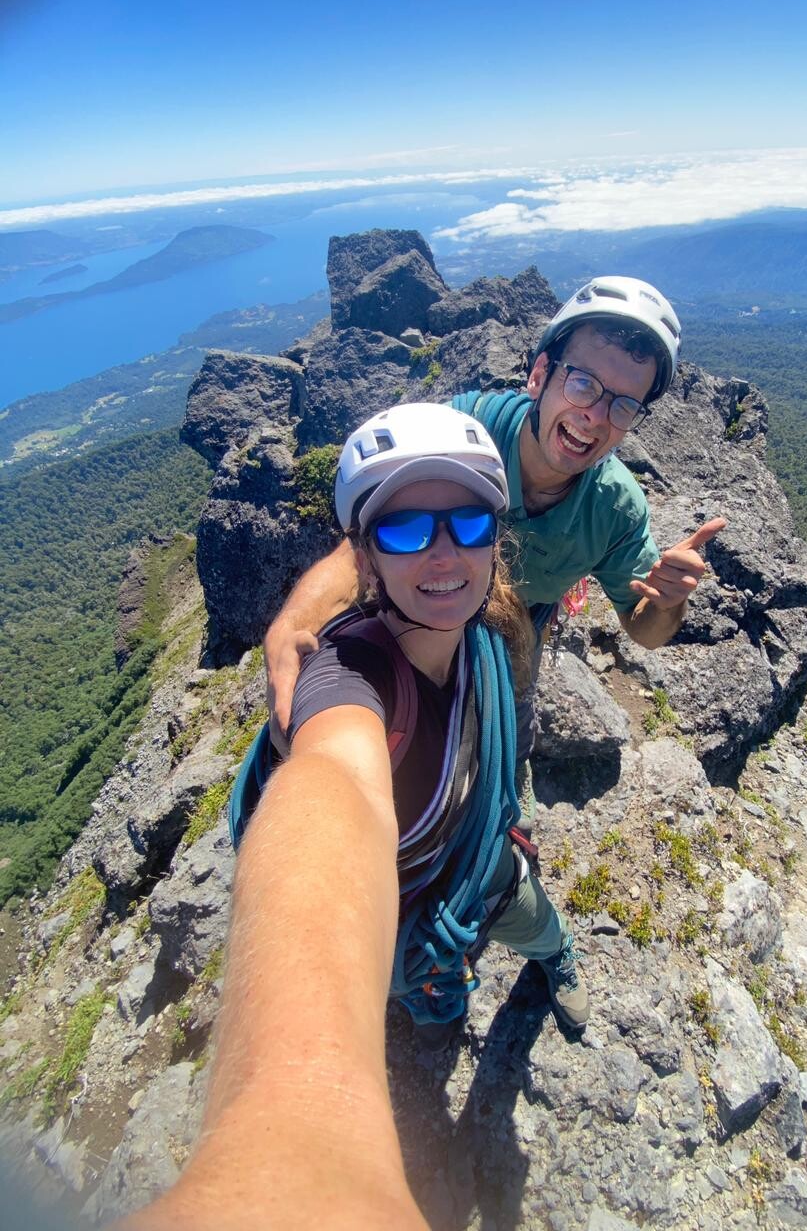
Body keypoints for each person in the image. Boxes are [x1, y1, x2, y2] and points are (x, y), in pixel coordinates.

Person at [118, 404, 585, 1231]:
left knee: (536, 922)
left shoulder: (481, 638)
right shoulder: (349, 681)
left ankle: (556, 961)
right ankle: (442, 1005)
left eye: (468, 522)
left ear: (494, 540)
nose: (443, 553)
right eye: (404, 530)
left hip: (481, 864)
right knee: (428, 987)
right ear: (364, 559)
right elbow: (333, 791)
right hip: (407, 911)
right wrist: (292, 1145)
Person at [265, 276, 727, 824]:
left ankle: (501, 808)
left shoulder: (614, 509)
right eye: (583, 384)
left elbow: (644, 628)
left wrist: (670, 601)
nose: (596, 417)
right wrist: (294, 624)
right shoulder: (466, 434)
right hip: (421, 615)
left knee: (509, 725)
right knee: (405, 731)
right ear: (539, 375)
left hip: (519, 632)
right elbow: (367, 544)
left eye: (624, 406)